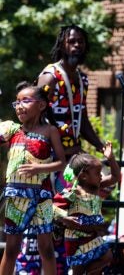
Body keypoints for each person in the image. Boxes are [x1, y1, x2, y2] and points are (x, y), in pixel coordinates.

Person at [0, 84, 66, 275]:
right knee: (11, 248)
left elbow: (61, 163)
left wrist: (39, 168)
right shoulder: (12, 130)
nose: (19, 106)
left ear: (42, 105)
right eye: (17, 102)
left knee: (45, 247)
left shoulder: (49, 131)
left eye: (25, 101)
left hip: (42, 196)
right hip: (16, 196)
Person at [36, 24, 104, 163]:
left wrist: (101, 147)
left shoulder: (82, 79)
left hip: (72, 153)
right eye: (72, 41)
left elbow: (82, 120)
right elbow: (36, 116)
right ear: (62, 45)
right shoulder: (51, 77)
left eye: (81, 41)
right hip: (49, 156)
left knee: (95, 178)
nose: (77, 45)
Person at [52, 141, 120, 275]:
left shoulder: (97, 187)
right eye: (97, 173)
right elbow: (52, 208)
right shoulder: (71, 192)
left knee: (107, 256)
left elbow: (116, 177)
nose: (101, 176)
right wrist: (65, 219)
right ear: (84, 176)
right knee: (78, 269)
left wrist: (110, 158)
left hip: (93, 234)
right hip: (75, 238)